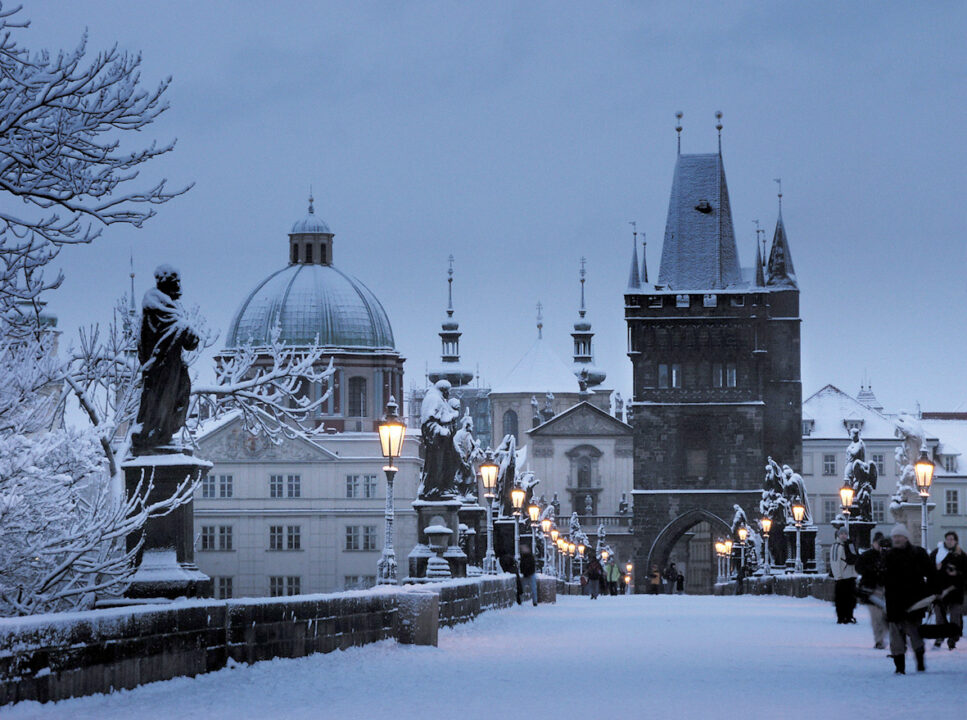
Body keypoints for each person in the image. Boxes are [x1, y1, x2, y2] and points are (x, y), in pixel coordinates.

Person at [884, 524, 934, 674]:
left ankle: (920, 662)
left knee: (915, 634)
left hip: (914, 602)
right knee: (895, 638)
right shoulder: (889, 555)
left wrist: (931, 593)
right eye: (894, 537)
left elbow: (931, 573)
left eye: (899, 536)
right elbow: (883, 576)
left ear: (906, 538)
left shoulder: (918, 553)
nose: (896, 539)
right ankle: (900, 667)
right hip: (894, 602)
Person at [930, 530, 966, 650]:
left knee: (955, 617)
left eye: (952, 539)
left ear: (956, 541)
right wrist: (935, 568)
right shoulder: (937, 553)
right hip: (940, 590)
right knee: (939, 616)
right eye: (948, 539)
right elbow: (929, 570)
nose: (949, 541)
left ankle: (952, 640)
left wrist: (957, 572)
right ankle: (940, 637)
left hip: (955, 591)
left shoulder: (961, 555)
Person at [856, 531, 889, 649]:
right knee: (876, 617)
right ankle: (879, 640)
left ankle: (883, 637)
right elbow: (858, 568)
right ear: (873, 543)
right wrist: (871, 571)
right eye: (877, 543)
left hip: (885, 590)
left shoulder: (888, 556)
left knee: (886, 617)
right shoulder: (866, 556)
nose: (879, 545)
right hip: (871, 590)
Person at [830, 528, 859, 623]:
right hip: (842, 577)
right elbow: (834, 562)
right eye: (841, 533)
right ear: (838, 535)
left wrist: (855, 574)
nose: (844, 535)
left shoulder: (850, 545)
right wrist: (837, 576)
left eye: (845, 534)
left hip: (851, 576)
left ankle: (849, 615)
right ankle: (841, 617)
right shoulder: (836, 546)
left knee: (851, 599)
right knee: (841, 599)